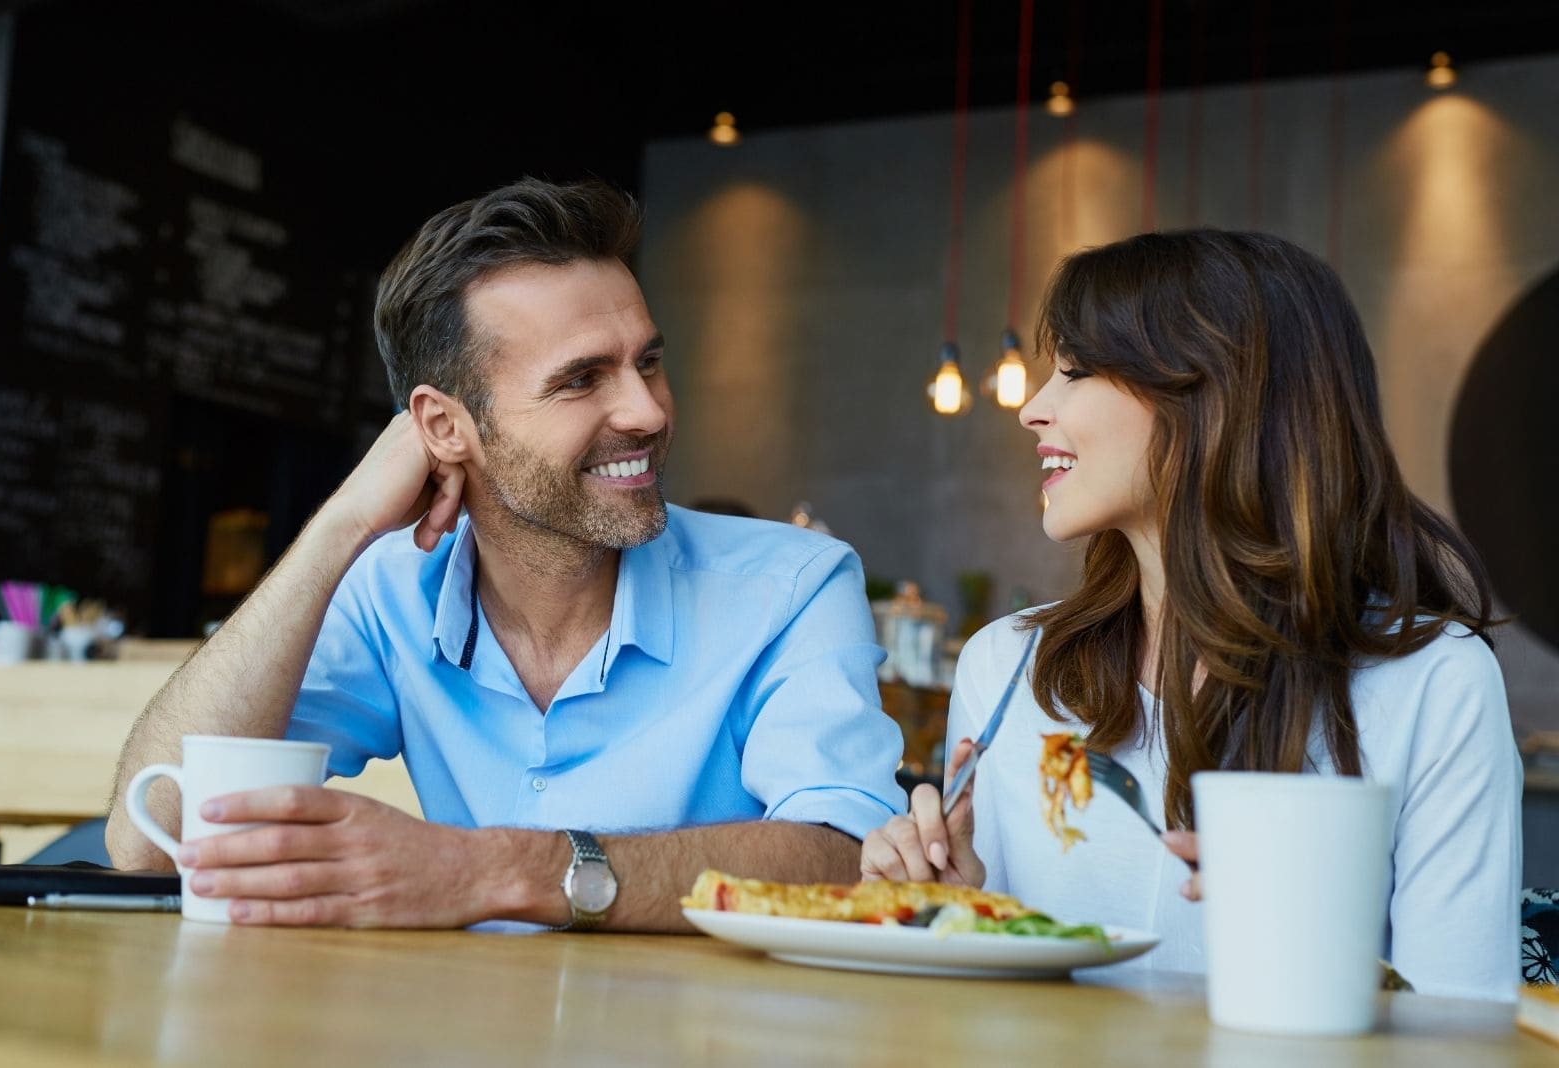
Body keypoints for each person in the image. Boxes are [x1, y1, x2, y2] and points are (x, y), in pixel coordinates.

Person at [106, 178, 905, 930]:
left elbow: (846, 859)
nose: (648, 409)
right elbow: (153, 843)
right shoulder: (388, 590)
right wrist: (340, 526)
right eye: (582, 379)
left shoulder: (793, 584)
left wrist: (490, 870)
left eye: (648, 362)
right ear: (445, 428)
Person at [859, 229, 1523, 1001]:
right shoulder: (1009, 666)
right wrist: (943, 908)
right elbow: (992, 1002)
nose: (1033, 409)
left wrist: (1314, 937)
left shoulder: (1436, 685)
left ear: (1215, 397)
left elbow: (1459, 1034)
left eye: (1074, 371)